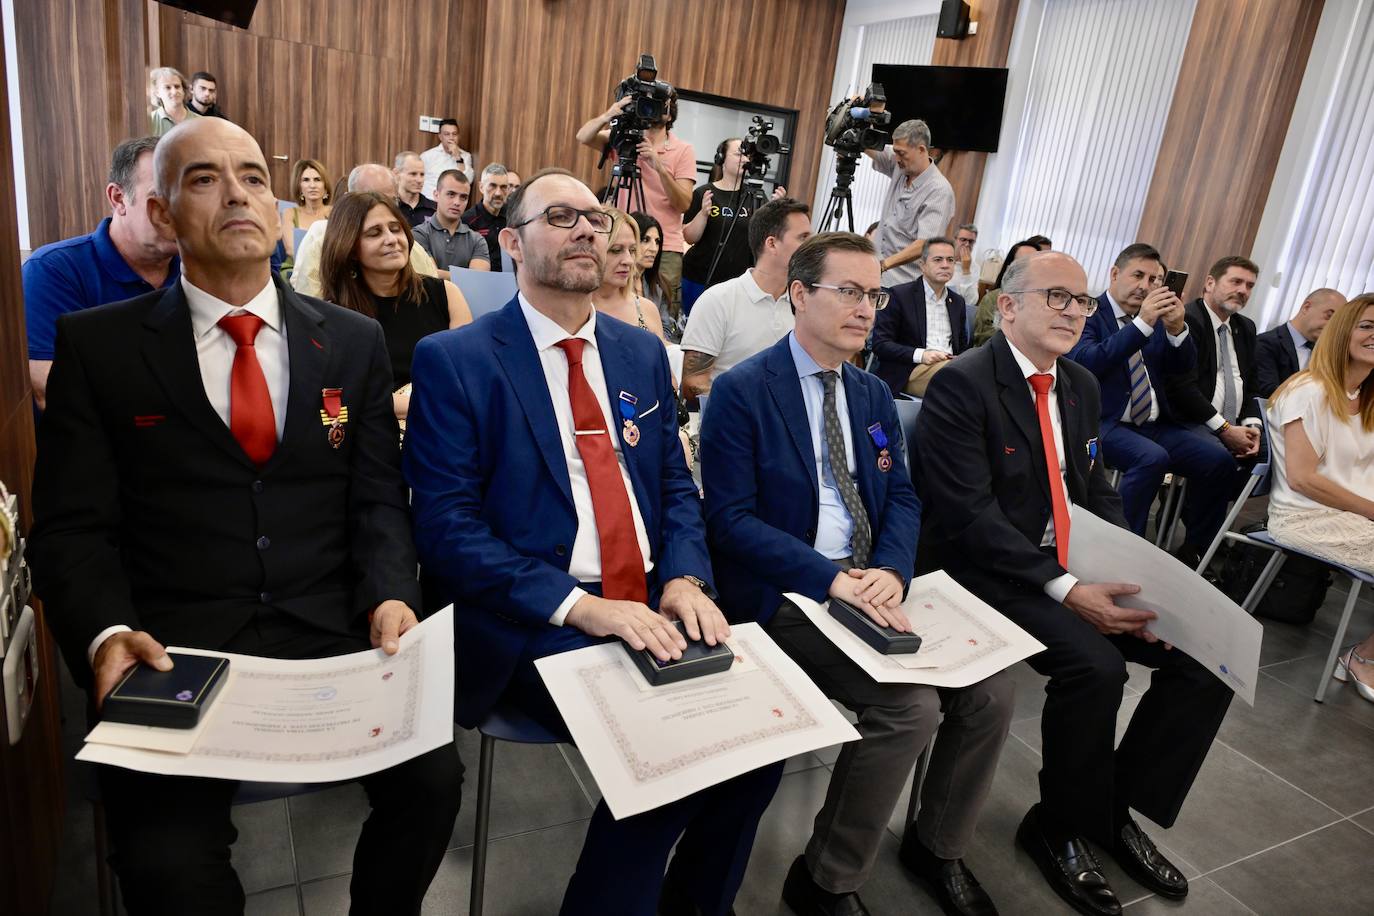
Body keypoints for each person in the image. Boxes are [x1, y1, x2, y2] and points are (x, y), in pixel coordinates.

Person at [28, 116, 462, 916]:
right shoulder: (99, 347)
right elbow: (71, 529)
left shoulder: (353, 341)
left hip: (329, 624)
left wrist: (392, 592)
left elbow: (375, 499)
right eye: (203, 179)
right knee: (167, 866)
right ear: (161, 215)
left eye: (255, 176)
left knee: (434, 782)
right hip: (173, 641)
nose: (237, 193)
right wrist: (102, 631)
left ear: (277, 208)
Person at [403, 167, 783, 916]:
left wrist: (684, 578)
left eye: (595, 216)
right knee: (671, 749)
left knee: (757, 749)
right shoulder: (456, 360)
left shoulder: (641, 352)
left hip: (650, 599)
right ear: (511, 242)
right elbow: (445, 530)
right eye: (560, 216)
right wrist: (579, 607)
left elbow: (675, 487)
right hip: (530, 618)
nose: (587, 228)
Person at [701, 232, 1012, 916]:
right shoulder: (743, 391)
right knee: (909, 708)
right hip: (789, 588)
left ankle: (938, 846)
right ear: (801, 295)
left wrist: (894, 572)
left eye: (873, 294)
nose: (867, 308)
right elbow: (729, 521)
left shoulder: (871, 394)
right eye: (848, 291)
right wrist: (828, 577)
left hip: (872, 580)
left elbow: (900, 495)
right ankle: (824, 880)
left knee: (992, 690)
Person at [916, 250, 1232, 916]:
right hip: (985, 572)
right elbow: (968, 517)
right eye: (1057, 297)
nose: (1073, 313)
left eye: (1082, 302)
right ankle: (1057, 826)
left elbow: (1092, 493)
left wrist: (1135, 577)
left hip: (1067, 563)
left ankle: (1107, 809)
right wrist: (1067, 589)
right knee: (1096, 669)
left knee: (1202, 656)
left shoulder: (1081, 385)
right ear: (1008, 306)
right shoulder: (963, 384)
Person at [1067, 244, 1238, 559]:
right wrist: (1140, 325)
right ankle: (1123, 550)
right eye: (1138, 275)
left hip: (1154, 424)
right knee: (1152, 459)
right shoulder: (1088, 311)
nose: (1145, 286)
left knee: (1219, 460)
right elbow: (1086, 362)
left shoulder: (1156, 319)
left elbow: (1182, 370)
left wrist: (1176, 330)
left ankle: (1196, 550)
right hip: (1102, 421)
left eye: (1155, 280)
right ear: (1115, 274)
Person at [1266, 293, 1374, 700]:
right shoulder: (1308, 391)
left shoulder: (1366, 399)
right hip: (1307, 517)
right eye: (1367, 326)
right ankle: (1362, 658)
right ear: (1343, 332)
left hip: (1354, 513)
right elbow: (1303, 479)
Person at [24, 136, 180, 409]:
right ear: (118, 198)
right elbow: (51, 389)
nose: (178, 212)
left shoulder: (198, 268)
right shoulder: (53, 271)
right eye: (161, 198)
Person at [320, 191, 472, 421]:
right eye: (374, 233)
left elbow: (468, 375)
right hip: (377, 432)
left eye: (396, 228)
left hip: (444, 424)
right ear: (350, 249)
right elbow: (346, 395)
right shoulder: (335, 315)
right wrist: (427, 404)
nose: (392, 239)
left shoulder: (447, 294)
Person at [576, 89, 696, 318]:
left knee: (661, 312)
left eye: (659, 105)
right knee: (613, 304)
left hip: (663, 247)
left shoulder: (683, 150)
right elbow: (583, 136)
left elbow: (683, 204)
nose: (652, 108)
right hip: (622, 239)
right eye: (648, 103)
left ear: (669, 115)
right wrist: (609, 115)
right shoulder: (624, 140)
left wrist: (657, 164)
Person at [679, 198, 811, 401]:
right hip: (728, 424)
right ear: (772, 243)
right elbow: (692, 384)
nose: (811, 247)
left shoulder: (805, 306)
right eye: (803, 238)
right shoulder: (719, 300)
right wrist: (750, 413)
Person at [290, 163, 438, 297]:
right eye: (370, 198)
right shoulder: (323, 236)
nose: (382, 207)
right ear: (348, 198)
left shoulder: (408, 245)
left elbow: (431, 296)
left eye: (391, 201)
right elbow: (307, 297)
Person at [680, 137, 786, 312]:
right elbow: (689, 237)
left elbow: (766, 239)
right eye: (738, 154)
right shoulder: (704, 193)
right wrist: (703, 214)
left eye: (747, 155)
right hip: (700, 276)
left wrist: (776, 211)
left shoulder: (756, 197)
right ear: (721, 158)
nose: (744, 159)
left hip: (738, 281)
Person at [872, 235, 970, 397]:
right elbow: (881, 344)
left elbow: (962, 346)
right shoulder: (899, 295)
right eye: (938, 260)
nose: (945, 265)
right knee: (957, 379)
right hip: (910, 369)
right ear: (922, 265)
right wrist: (921, 355)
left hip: (950, 366)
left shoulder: (957, 302)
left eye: (950, 260)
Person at [864, 119, 955, 288]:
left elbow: (924, 244)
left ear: (921, 150)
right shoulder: (901, 165)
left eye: (901, 153)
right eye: (895, 151)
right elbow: (867, 143)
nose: (896, 158)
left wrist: (884, 265)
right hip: (876, 277)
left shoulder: (939, 191)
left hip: (903, 285)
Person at [591, 208, 665, 343]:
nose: (629, 260)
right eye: (616, 250)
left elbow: (663, 356)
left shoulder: (646, 309)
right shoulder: (574, 310)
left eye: (632, 250)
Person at [1255, 287, 1344, 396]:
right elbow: (1268, 391)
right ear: (1306, 307)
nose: (1331, 326)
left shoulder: (1327, 353)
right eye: (1329, 316)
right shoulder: (1266, 343)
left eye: (1337, 323)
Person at [412, 169, 490, 276]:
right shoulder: (418, 234)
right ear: (436, 195)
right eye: (451, 194)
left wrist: (443, 274)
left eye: (463, 197)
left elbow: (479, 280)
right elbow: (430, 276)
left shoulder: (477, 240)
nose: (457, 202)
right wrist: (466, 277)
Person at [972, 239, 1039, 346]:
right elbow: (982, 338)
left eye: (1034, 263)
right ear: (1009, 268)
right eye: (1022, 263)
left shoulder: (1045, 301)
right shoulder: (992, 299)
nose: (1029, 269)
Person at [278, 158, 332, 261]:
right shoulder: (290, 213)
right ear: (299, 187)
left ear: (325, 187)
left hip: (328, 267)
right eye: (306, 180)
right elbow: (291, 249)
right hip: (296, 268)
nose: (312, 185)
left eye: (317, 180)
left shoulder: (335, 212)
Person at [463, 163, 511, 270]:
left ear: (508, 190)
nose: (498, 193)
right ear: (481, 187)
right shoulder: (468, 220)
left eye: (503, 187)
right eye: (492, 186)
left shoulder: (514, 216)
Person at [630, 210, 672, 311]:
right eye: (646, 240)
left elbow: (665, 326)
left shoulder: (660, 285)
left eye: (657, 242)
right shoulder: (614, 283)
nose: (654, 248)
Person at [420, 118, 474, 196]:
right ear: (440, 137)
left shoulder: (466, 156)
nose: (451, 138)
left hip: (452, 203)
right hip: (428, 202)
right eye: (447, 134)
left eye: (454, 134)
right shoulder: (427, 156)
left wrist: (458, 157)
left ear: (458, 136)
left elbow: (468, 181)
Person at [148, 66, 200, 136]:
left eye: (177, 86)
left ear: (183, 90)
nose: (174, 92)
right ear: (157, 93)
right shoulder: (149, 122)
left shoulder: (200, 121)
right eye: (167, 87)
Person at [393, 151, 437, 227]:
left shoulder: (435, 209)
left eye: (422, 174)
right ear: (396, 174)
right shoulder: (389, 207)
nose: (419, 180)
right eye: (413, 174)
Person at [950, 223, 981, 304]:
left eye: (971, 241)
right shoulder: (943, 259)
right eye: (963, 240)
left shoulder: (975, 267)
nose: (967, 244)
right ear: (955, 240)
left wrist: (966, 270)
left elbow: (971, 301)